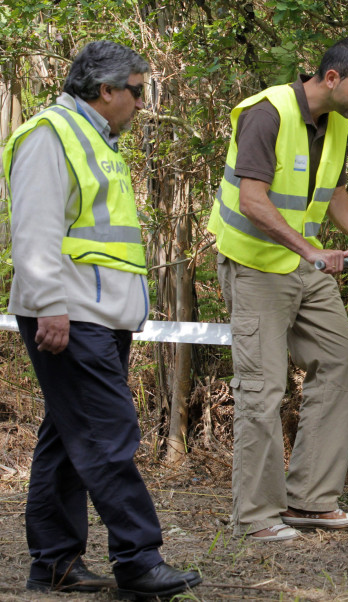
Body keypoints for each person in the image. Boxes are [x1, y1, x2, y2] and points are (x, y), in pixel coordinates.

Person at [2, 41, 202, 597]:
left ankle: (54, 563)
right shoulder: (50, 134)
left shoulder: (98, 139)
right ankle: (139, 561)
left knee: (68, 438)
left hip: (97, 314)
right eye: (137, 92)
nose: (142, 103)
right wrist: (51, 307)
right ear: (106, 90)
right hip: (70, 312)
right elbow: (35, 231)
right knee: (110, 433)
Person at [207, 38, 348, 542]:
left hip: (303, 265)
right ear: (331, 78)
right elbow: (253, 200)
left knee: (342, 364)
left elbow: (334, 191)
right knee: (262, 389)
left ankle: (309, 499)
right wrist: (309, 251)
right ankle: (255, 515)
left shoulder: (338, 123)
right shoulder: (267, 114)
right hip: (257, 265)